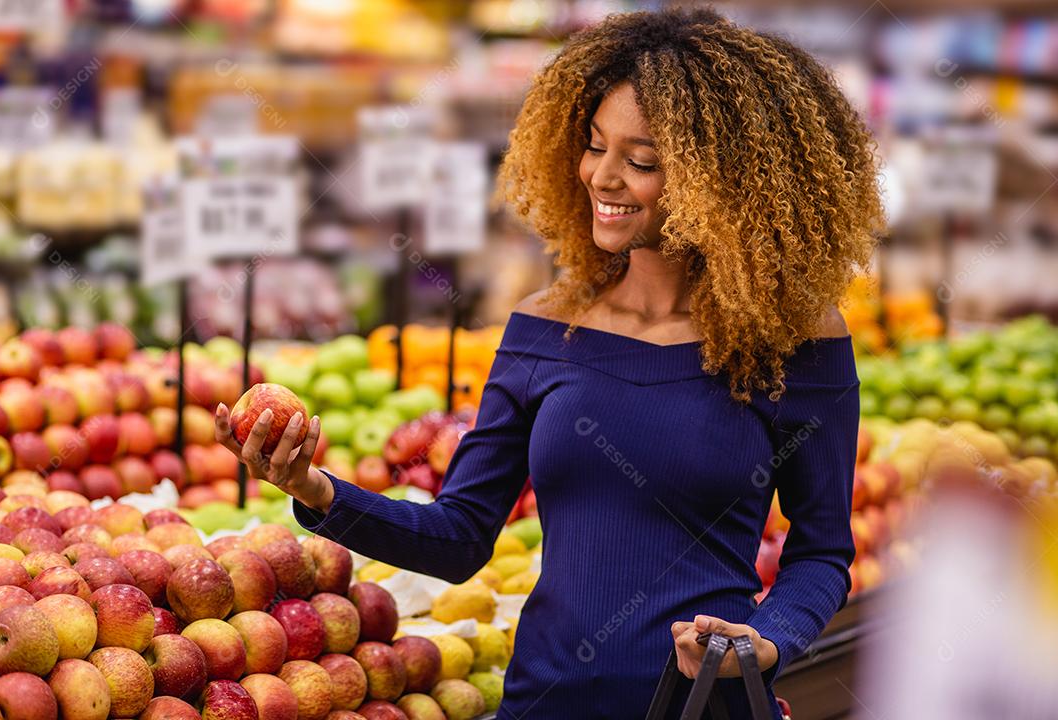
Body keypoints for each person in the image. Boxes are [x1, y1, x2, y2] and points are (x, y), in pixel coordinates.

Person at [215, 7, 884, 718]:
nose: (605, 176)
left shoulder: (794, 341)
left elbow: (820, 554)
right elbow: (461, 535)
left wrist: (764, 640)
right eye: (595, 146)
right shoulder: (545, 327)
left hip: (700, 706)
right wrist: (315, 489)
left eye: (644, 160)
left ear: (724, 182)